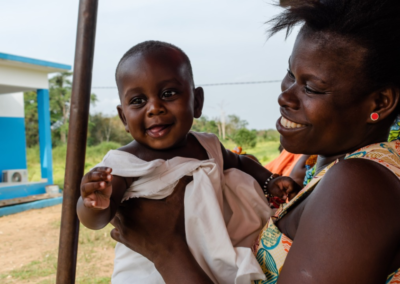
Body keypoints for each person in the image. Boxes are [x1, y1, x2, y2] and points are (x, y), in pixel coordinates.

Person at [109, 0, 400, 283]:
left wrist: (166, 251)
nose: (284, 96)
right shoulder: (329, 167)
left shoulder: (359, 185)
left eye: (311, 88)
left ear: (380, 102)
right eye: (290, 74)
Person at [77, 41, 300, 283]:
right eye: (138, 101)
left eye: (168, 94)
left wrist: (270, 180)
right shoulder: (123, 163)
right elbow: (98, 221)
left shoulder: (207, 145)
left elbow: (239, 161)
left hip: (207, 266)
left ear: (197, 102)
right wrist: (93, 204)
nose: (154, 108)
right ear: (123, 117)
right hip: (147, 274)